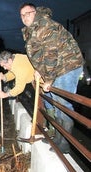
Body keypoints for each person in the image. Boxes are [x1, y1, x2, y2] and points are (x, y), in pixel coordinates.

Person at [19, 3, 85, 153]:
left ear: (35, 12)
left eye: (28, 13)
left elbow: (50, 54)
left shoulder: (44, 25)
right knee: (55, 103)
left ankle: (65, 143)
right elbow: (39, 55)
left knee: (63, 104)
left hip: (67, 67)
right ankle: (58, 137)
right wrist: (38, 71)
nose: (24, 17)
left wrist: (48, 78)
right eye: (22, 15)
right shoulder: (31, 30)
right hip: (56, 69)